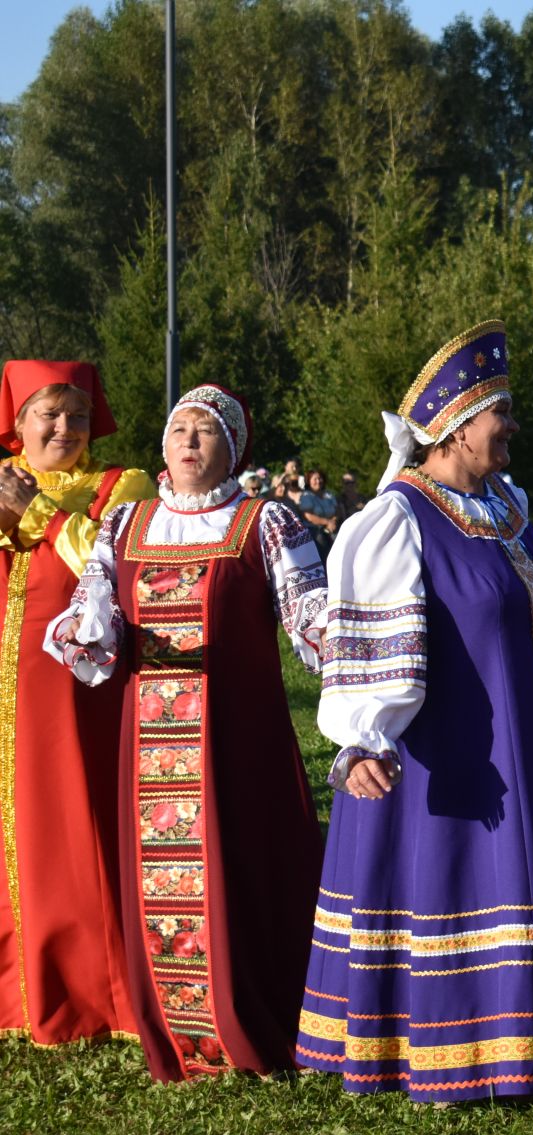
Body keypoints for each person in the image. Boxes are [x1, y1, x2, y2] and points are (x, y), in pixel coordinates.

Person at [297, 320, 533, 1103]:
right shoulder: (397, 520)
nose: (515, 428)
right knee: (474, 884)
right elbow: (370, 649)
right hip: (462, 757)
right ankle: (463, 1053)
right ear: (458, 425)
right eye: (503, 413)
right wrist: (363, 741)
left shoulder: (504, 505)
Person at [47, 384, 326, 1081]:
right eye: (179, 430)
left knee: (250, 875)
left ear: (231, 447)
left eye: (206, 431)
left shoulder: (266, 521)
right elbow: (94, 609)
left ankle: (266, 1021)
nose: (189, 442)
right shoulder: (124, 524)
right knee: (163, 887)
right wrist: (89, 630)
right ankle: (181, 1034)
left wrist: (370, 646)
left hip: (241, 740)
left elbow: (310, 615)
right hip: (151, 751)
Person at [0, 361, 155, 1047]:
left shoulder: (119, 486)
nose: (66, 428)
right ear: (18, 424)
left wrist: (30, 513)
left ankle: (91, 993)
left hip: (77, 689)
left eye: (79, 416)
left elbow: (111, 561)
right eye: (50, 415)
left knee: (73, 819)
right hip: (8, 685)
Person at [297, 467, 340, 553]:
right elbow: (308, 516)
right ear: (309, 481)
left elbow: (337, 510)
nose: (318, 481)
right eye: (315, 479)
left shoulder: (329, 494)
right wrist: (327, 522)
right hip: (315, 529)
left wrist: (333, 522)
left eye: (320, 478)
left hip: (332, 526)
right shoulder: (306, 496)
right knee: (322, 543)